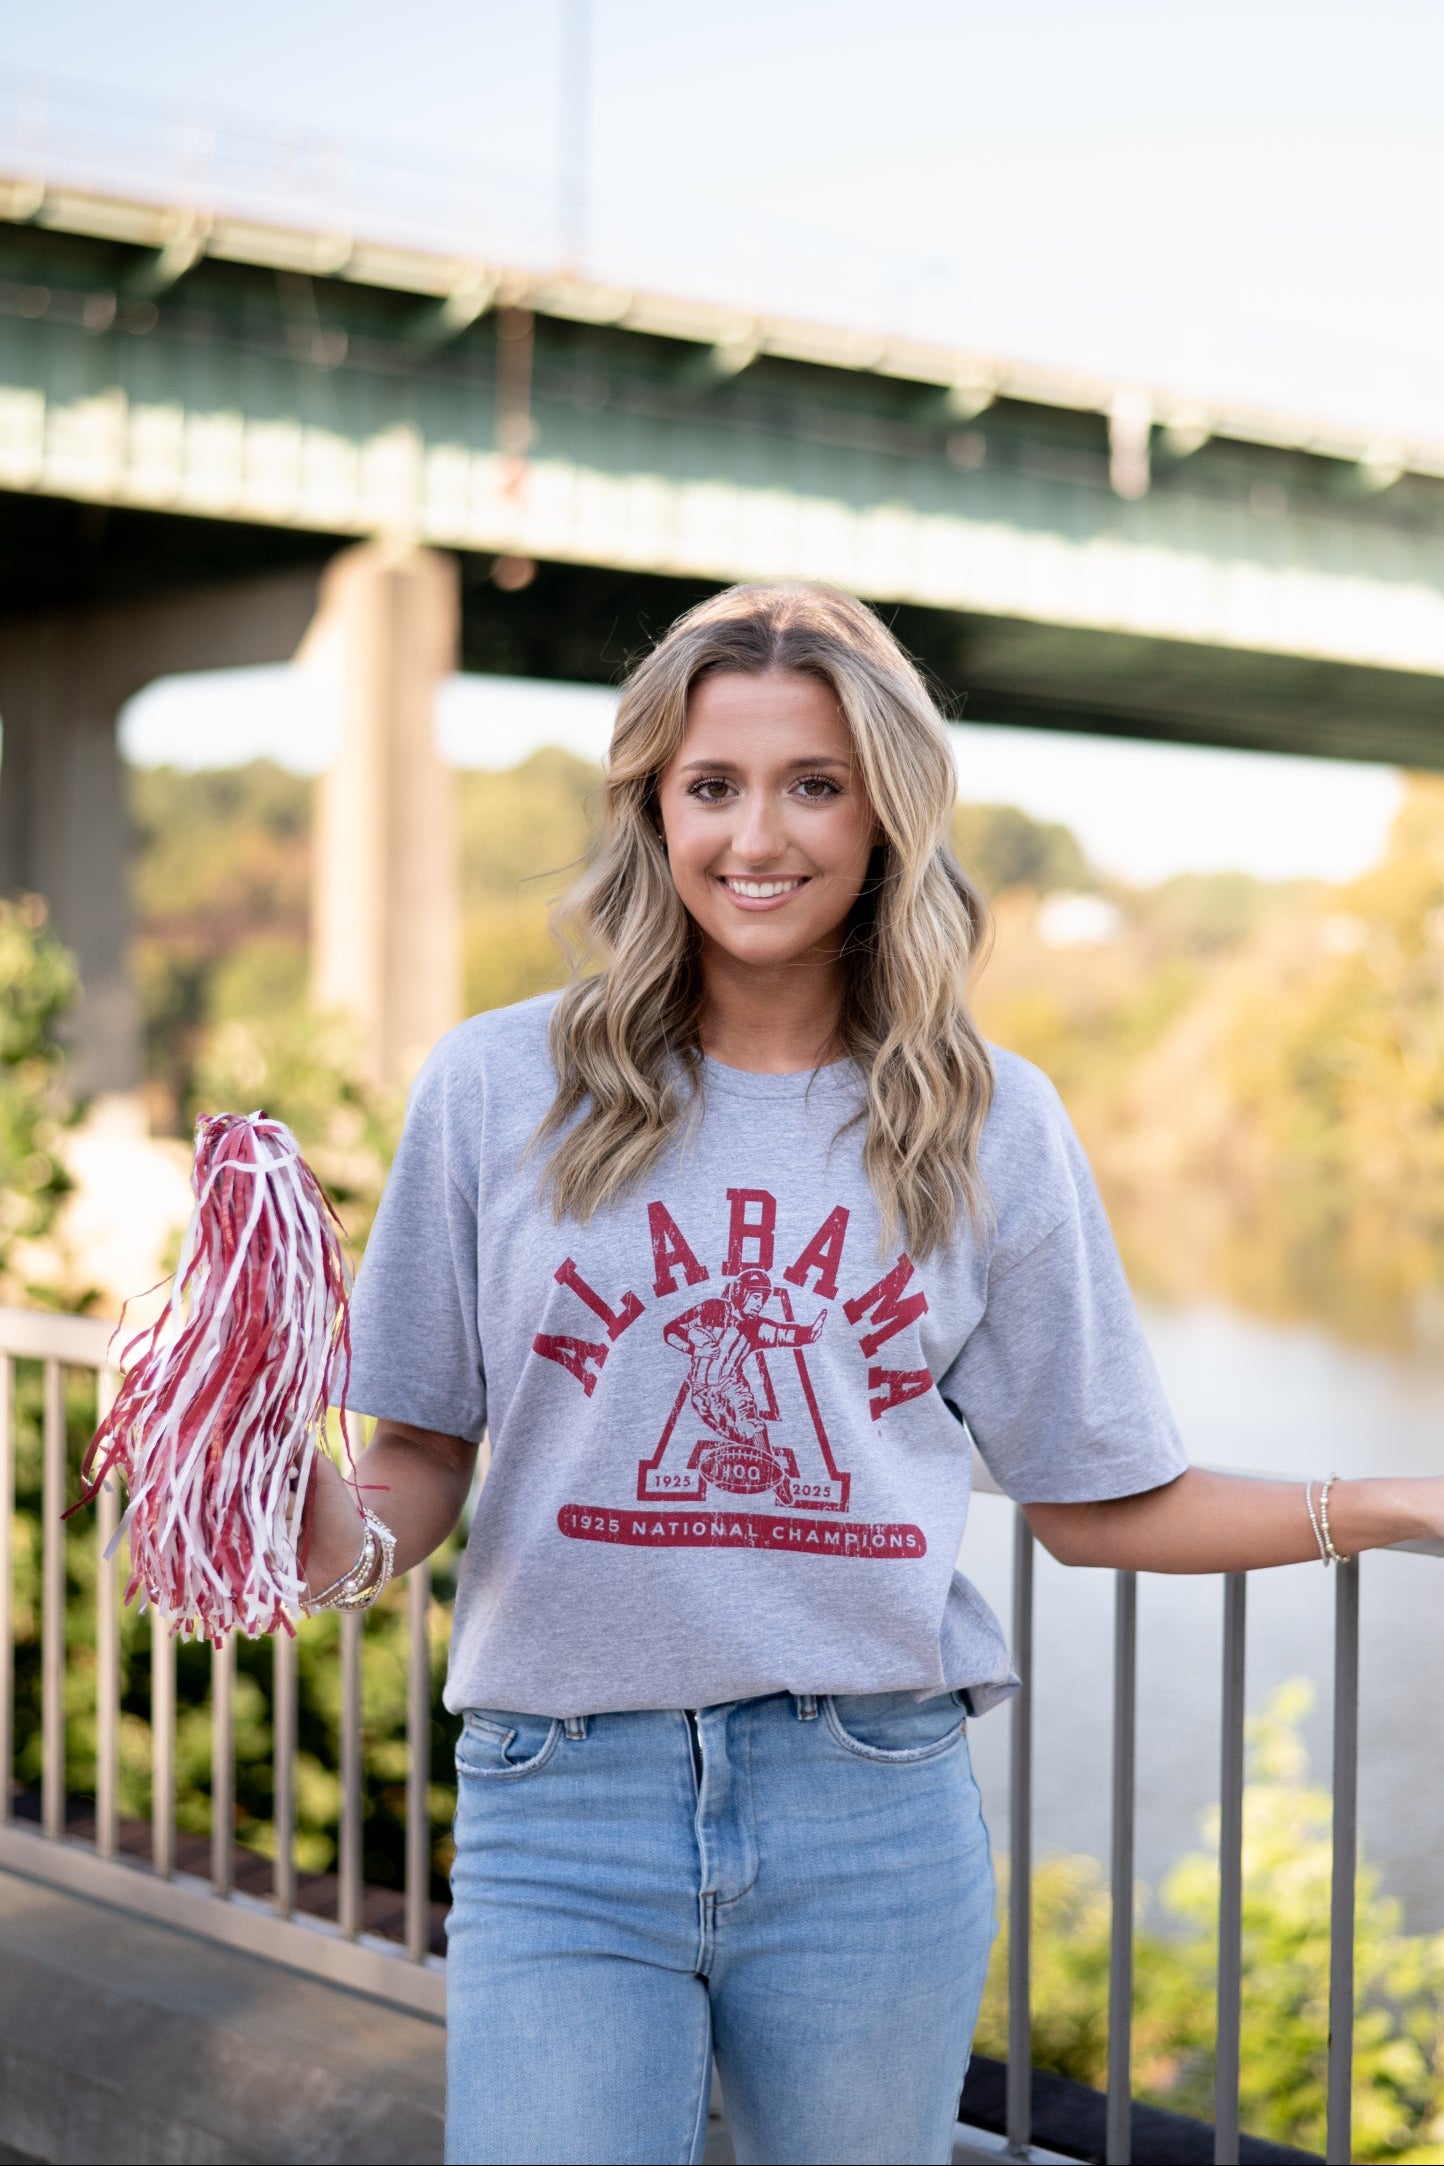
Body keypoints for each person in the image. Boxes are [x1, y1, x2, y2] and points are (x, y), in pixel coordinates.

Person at [299, 583, 1444, 2166]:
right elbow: (421, 1446)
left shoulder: (987, 1122)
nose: (756, 835)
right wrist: (327, 1528)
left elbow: (1096, 1504)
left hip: (866, 1811)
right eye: (713, 784)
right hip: (562, 1802)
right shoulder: (502, 1086)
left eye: (814, 784)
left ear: (886, 814)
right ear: (655, 808)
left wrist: (1401, 1502)